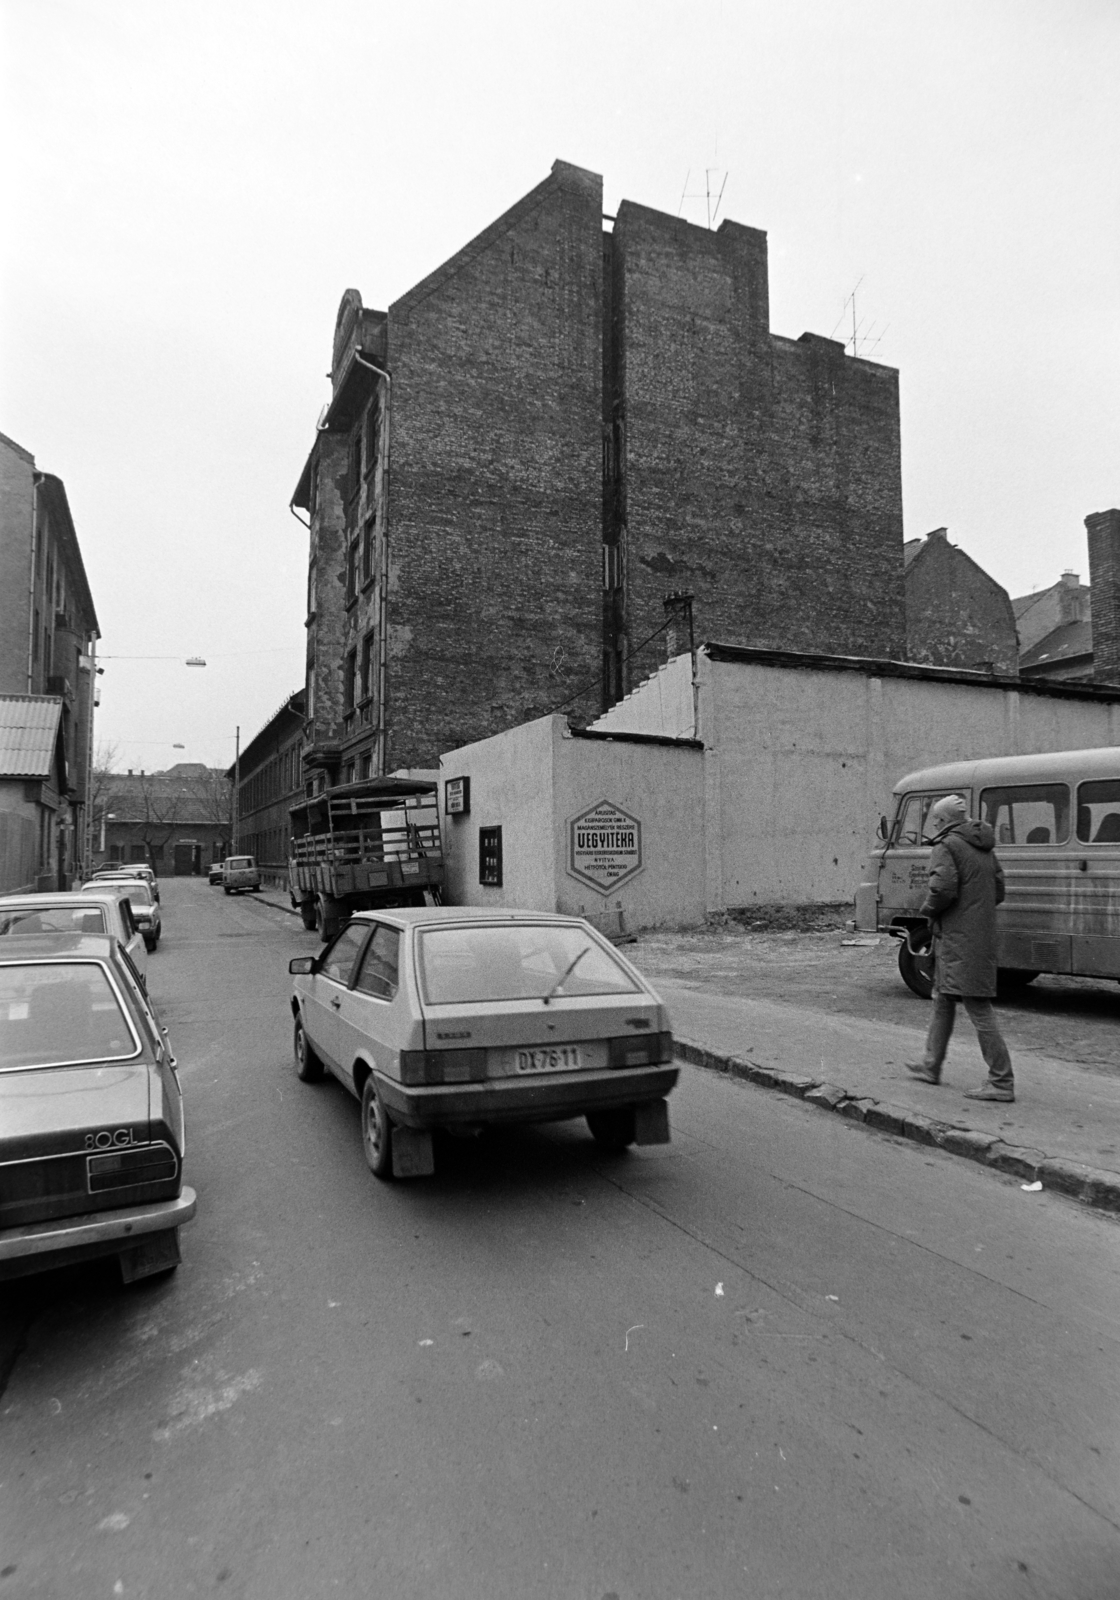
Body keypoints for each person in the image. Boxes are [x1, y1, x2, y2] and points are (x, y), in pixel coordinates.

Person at [906, 793, 1015, 1102]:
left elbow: (941, 889)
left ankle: (1002, 1082)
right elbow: (999, 890)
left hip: (956, 938)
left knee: (977, 1007)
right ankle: (931, 1066)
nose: (935, 825)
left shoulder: (946, 845)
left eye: (937, 820)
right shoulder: (983, 847)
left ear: (944, 821)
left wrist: (928, 910)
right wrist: (974, 913)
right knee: (942, 997)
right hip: (974, 937)